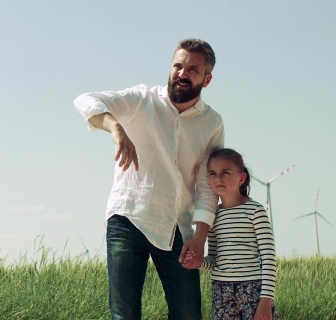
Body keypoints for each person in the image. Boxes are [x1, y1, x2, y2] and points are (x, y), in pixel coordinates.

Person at [73, 38, 224, 320]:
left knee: (188, 314)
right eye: (178, 65)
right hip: (129, 218)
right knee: (125, 315)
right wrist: (115, 127)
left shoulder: (212, 123)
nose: (182, 73)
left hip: (178, 227)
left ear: (207, 79)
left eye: (192, 69)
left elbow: (207, 184)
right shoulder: (142, 99)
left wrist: (201, 235)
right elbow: (85, 101)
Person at [184, 148, 279, 320]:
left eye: (225, 172)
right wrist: (198, 262)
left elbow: (268, 259)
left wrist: (266, 301)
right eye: (212, 173)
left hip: (254, 292)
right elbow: (214, 260)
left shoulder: (255, 211)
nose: (218, 178)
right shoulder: (211, 217)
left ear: (241, 178)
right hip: (222, 292)